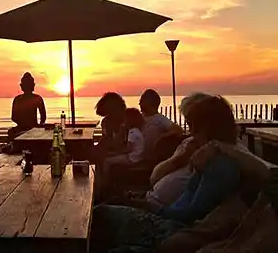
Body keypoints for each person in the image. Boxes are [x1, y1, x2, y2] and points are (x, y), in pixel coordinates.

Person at [91, 95, 245, 253]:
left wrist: (151, 208)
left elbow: (190, 214)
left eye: (193, 127)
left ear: (207, 128)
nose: (190, 132)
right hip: (163, 212)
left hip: (169, 226)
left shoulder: (220, 166)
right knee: (99, 215)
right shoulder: (204, 155)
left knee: (98, 217)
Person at [139, 89, 181, 157]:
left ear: (150, 102)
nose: (139, 103)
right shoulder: (139, 117)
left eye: (141, 101)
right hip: (136, 155)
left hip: (149, 158)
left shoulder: (160, 119)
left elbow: (178, 130)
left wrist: (162, 138)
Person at [8, 73, 47, 140]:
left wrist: (38, 127)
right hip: (24, 127)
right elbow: (14, 117)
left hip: (33, 127)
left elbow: (43, 117)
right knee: (11, 132)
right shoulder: (18, 99)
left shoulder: (37, 98)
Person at [94, 92, 129, 158]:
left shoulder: (126, 122)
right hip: (113, 150)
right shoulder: (106, 121)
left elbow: (120, 144)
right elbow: (106, 139)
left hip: (122, 152)